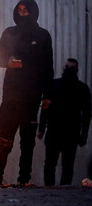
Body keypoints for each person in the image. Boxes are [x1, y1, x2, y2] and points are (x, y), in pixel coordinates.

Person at [0, 0, 53, 185]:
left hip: (32, 96)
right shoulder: (9, 33)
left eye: (26, 10)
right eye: (20, 10)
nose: (22, 13)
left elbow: (48, 67)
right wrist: (7, 61)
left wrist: (47, 95)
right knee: (4, 140)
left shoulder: (42, 36)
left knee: (27, 142)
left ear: (33, 12)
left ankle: (24, 180)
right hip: (10, 96)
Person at [38, 58, 91, 186]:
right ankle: (49, 188)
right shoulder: (53, 85)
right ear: (63, 68)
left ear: (77, 70)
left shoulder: (82, 89)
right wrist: (41, 128)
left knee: (67, 165)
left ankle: (64, 190)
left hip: (71, 132)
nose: (69, 70)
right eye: (67, 67)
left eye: (72, 67)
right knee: (50, 164)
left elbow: (87, 114)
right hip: (54, 130)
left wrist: (83, 135)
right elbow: (45, 108)